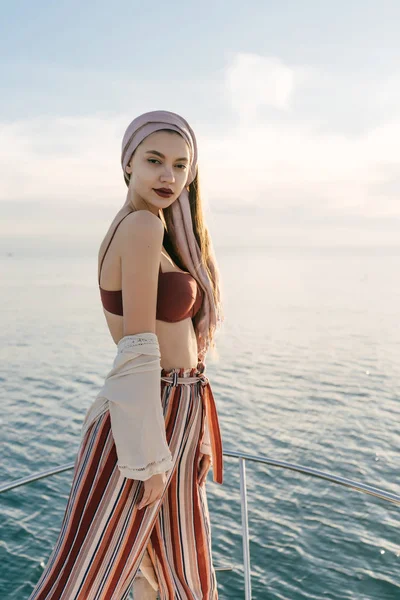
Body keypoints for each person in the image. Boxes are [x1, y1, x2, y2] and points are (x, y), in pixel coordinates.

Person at [28, 110, 225, 600]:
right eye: (154, 160)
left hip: (172, 409)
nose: (168, 176)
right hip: (149, 415)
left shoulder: (146, 225)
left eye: (181, 166)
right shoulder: (141, 227)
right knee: (93, 569)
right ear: (127, 164)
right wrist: (147, 457)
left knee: (163, 561)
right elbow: (138, 345)